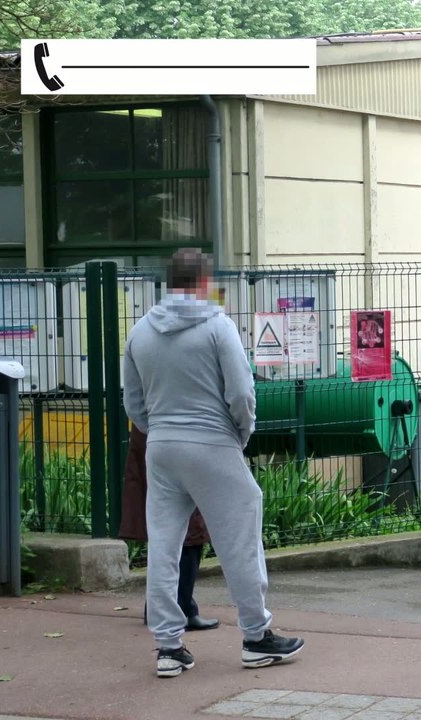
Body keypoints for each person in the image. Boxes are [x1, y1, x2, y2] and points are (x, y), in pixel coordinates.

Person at [123, 248, 304, 679]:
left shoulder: (140, 332)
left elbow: (133, 401)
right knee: (240, 536)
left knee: (164, 545)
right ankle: (256, 637)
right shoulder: (218, 326)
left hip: (161, 446)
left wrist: (159, 429)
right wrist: (239, 434)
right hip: (212, 440)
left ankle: (169, 647)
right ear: (205, 283)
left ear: (169, 283)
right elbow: (241, 392)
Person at [119, 425, 218, 633]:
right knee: (190, 528)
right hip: (178, 436)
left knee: (165, 529)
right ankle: (180, 609)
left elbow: (134, 408)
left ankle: (161, 608)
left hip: (154, 435)